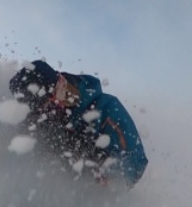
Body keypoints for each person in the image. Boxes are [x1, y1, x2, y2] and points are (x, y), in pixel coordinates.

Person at [9, 59, 148, 187]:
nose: (63, 97)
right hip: (55, 195)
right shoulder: (41, 122)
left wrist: (100, 166)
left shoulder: (107, 109)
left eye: (61, 86)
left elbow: (135, 164)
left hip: (92, 201)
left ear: (61, 77)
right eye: (53, 99)